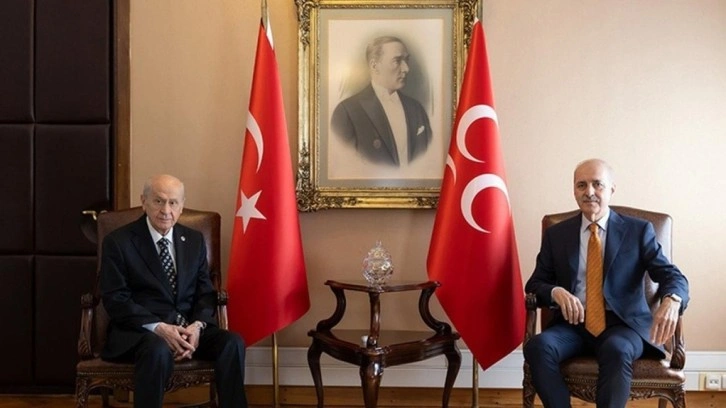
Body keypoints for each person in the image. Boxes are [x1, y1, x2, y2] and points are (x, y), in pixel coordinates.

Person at [523, 159, 689, 408]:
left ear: (612, 189)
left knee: (616, 350)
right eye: (581, 185)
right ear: (574, 191)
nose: (589, 191)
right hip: (573, 325)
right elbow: (535, 283)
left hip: (623, 325)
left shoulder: (637, 231)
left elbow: (672, 276)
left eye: (597, 184)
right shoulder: (557, 234)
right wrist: (555, 291)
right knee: (538, 347)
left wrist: (673, 300)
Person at [99, 174, 247, 408]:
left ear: (181, 206)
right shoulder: (119, 242)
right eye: (158, 201)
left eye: (173, 202)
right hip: (140, 332)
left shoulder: (194, 240)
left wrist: (197, 327)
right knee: (157, 348)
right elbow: (116, 299)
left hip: (188, 329)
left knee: (233, 342)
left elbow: (205, 293)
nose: (166, 210)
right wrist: (159, 327)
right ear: (144, 202)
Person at [331, 35, 432, 167]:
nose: (406, 68)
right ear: (374, 66)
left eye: (406, 60)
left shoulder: (416, 108)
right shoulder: (347, 111)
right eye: (397, 61)